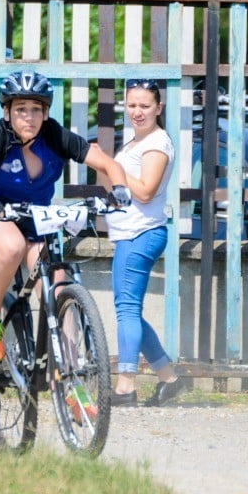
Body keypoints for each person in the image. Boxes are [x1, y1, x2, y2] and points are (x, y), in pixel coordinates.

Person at [0, 70, 133, 363]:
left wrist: (121, 190)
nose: (29, 117)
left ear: (46, 112)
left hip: (36, 220)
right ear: (7, 111)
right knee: (11, 246)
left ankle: (72, 372)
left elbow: (108, 165)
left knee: (59, 288)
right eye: (21, 109)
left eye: (36, 109)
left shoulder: (54, 136)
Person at [106, 78, 185, 408]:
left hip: (140, 234)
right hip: (131, 232)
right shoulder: (134, 142)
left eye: (144, 105)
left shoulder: (155, 144)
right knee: (132, 311)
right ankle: (169, 378)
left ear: (159, 108)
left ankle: (125, 386)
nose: (137, 111)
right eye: (132, 104)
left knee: (126, 310)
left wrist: (111, 166)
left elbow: (145, 190)